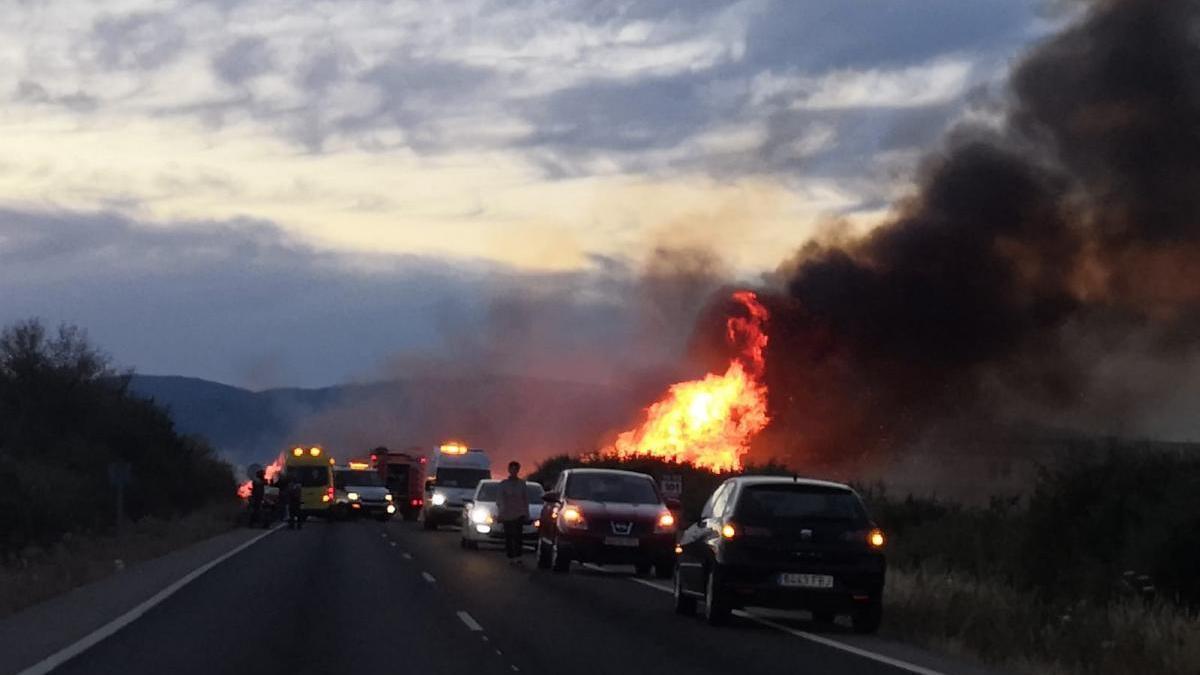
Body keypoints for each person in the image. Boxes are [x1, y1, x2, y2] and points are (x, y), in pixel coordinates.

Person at [495, 461, 530, 564]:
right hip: (507, 515)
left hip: (519, 514)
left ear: (518, 470)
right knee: (509, 536)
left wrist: (526, 513)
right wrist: (500, 514)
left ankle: (518, 556)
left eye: (516, 469)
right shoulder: (503, 484)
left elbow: (525, 499)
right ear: (509, 470)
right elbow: (499, 500)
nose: (514, 471)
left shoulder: (522, 484)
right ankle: (511, 556)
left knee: (518, 536)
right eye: (512, 469)